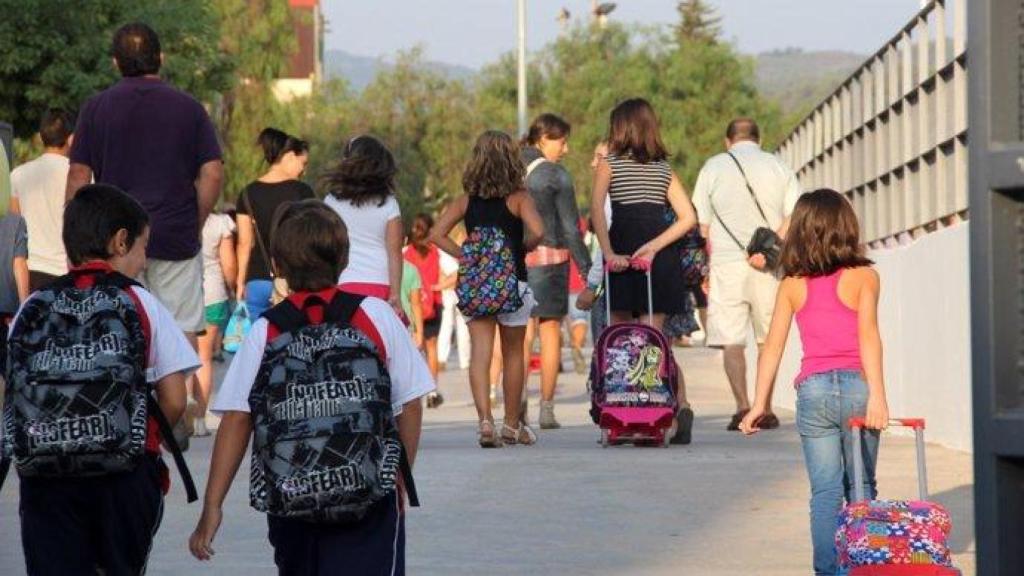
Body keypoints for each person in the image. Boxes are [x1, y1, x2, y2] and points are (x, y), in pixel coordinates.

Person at [190, 200, 433, 575]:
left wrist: (213, 505)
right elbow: (410, 404)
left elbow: (237, 420)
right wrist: (399, 475)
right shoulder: (375, 316)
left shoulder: (266, 330)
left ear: (278, 266)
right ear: (345, 257)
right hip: (368, 498)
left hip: (292, 499)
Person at [6, 184, 198, 575]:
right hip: (121, 480)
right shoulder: (140, 301)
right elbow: (175, 399)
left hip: (46, 477)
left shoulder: (34, 305)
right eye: (144, 247)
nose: (145, 261)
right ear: (121, 241)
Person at [740, 188, 889, 576]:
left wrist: (759, 404)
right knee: (862, 488)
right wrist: (879, 397)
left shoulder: (792, 284)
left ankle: (827, 571)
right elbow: (870, 337)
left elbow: (771, 348)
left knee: (825, 493)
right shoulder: (865, 277)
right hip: (859, 389)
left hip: (814, 391)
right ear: (847, 228)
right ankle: (862, 567)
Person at [66, 22, 223, 341]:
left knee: (119, 328)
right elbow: (212, 172)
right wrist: (195, 221)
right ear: (161, 58)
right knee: (179, 331)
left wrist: (77, 237)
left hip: (115, 241)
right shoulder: (189, 108)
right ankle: (181, 393)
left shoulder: (96, 108)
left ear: (115, 62)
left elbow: (79, 176)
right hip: (175, 235)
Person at [590, 99, 697, 444]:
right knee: (654, 342)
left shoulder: (610, 164)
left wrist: (608, 253)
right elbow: (688, 217)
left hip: (622, 254)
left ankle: (624, 416)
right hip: (658, 260)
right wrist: (655, 246)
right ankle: (662, 414)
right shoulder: (664, 169)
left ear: (620, 128)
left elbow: (595, 211)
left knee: (621, 339)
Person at [431, 130, 544, 448]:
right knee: (512, 353)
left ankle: (484, 422)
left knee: (480, 352)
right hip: (514, 283)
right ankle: (510, 424)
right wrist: (521, 248)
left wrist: (466, 256)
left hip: (477, 285)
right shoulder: (519, 198)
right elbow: (539, 230)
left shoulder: (466, 201)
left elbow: (437, 234)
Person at [692, 117, 801, 431]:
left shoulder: (713, 167)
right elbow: (796, 211)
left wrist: (705, 267)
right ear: (759, 138)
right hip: (768, 265)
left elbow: (702, 225)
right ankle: (763, 406)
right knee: (768, 339)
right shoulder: (778, 166)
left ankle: (742, 406)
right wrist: (772, 245)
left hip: (727, 264)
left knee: (731, 340)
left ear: (728, 141)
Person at [520, 113, 591, 429]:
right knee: (550, 334)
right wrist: (588, 270)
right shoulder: (555, 175)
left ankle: (516, 404)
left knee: (520, 334)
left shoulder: (509, 167)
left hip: (517, 260)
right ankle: (546, 409)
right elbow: (571, 229)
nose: (565, 148)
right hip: (551, 262)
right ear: (543, 139)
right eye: (561, 141)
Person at [236, 128, 313, 320]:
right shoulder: (303, 192)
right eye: (303, 163)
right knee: (288, 343)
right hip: (291, 280)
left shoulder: (247, 193)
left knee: (257, 343)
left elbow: (244, 243)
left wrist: (240, 282)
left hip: (255, 281)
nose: (303, 170)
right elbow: (310, 237)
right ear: (289, 156)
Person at [323, 135, 404, 314]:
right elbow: (395, 252)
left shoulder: (330, 201)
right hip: (380, 283)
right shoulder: (389, 203)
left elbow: (327, 247)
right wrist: (396, 294)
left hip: (343, 283)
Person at [10, 109, 73, 290]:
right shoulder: (82, 177)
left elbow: (16, 229)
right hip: (66, 272)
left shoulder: (18, 175)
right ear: (70, 138)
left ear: (41, 136)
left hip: (30, 273)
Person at [195, 211, 237, 437]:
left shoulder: (173, 216)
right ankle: (200, 420)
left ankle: (184, 419)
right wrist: (233, 288)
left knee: (183, 358)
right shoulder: (219, 223)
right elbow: (228, 264)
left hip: (181, 294)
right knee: (204, 358)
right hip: (213, 294)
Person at [404, 213, 445, 408]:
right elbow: (456, 271)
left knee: (411, 351)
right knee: (432, 349)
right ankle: (432, 391)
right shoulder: (436, 252)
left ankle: (412, 391)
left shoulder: (406, 253)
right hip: (433, 305)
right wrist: (438, 285)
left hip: (412, 308)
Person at [436, 226, 471, 371]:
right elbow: (457, 274)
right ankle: (464, 360)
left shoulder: (443, 253)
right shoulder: (452, 254)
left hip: (449, 293)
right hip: (456, 293)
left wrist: (439, 285)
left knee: (448, 326)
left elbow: (452, 275)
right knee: (458, 327)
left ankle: (443, 358)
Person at [400, 259, 425, 350]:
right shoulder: (410, 268)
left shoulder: (376, 267)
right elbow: (416, 304)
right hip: (405, 323)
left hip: (381, 323)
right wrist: (419, 333)